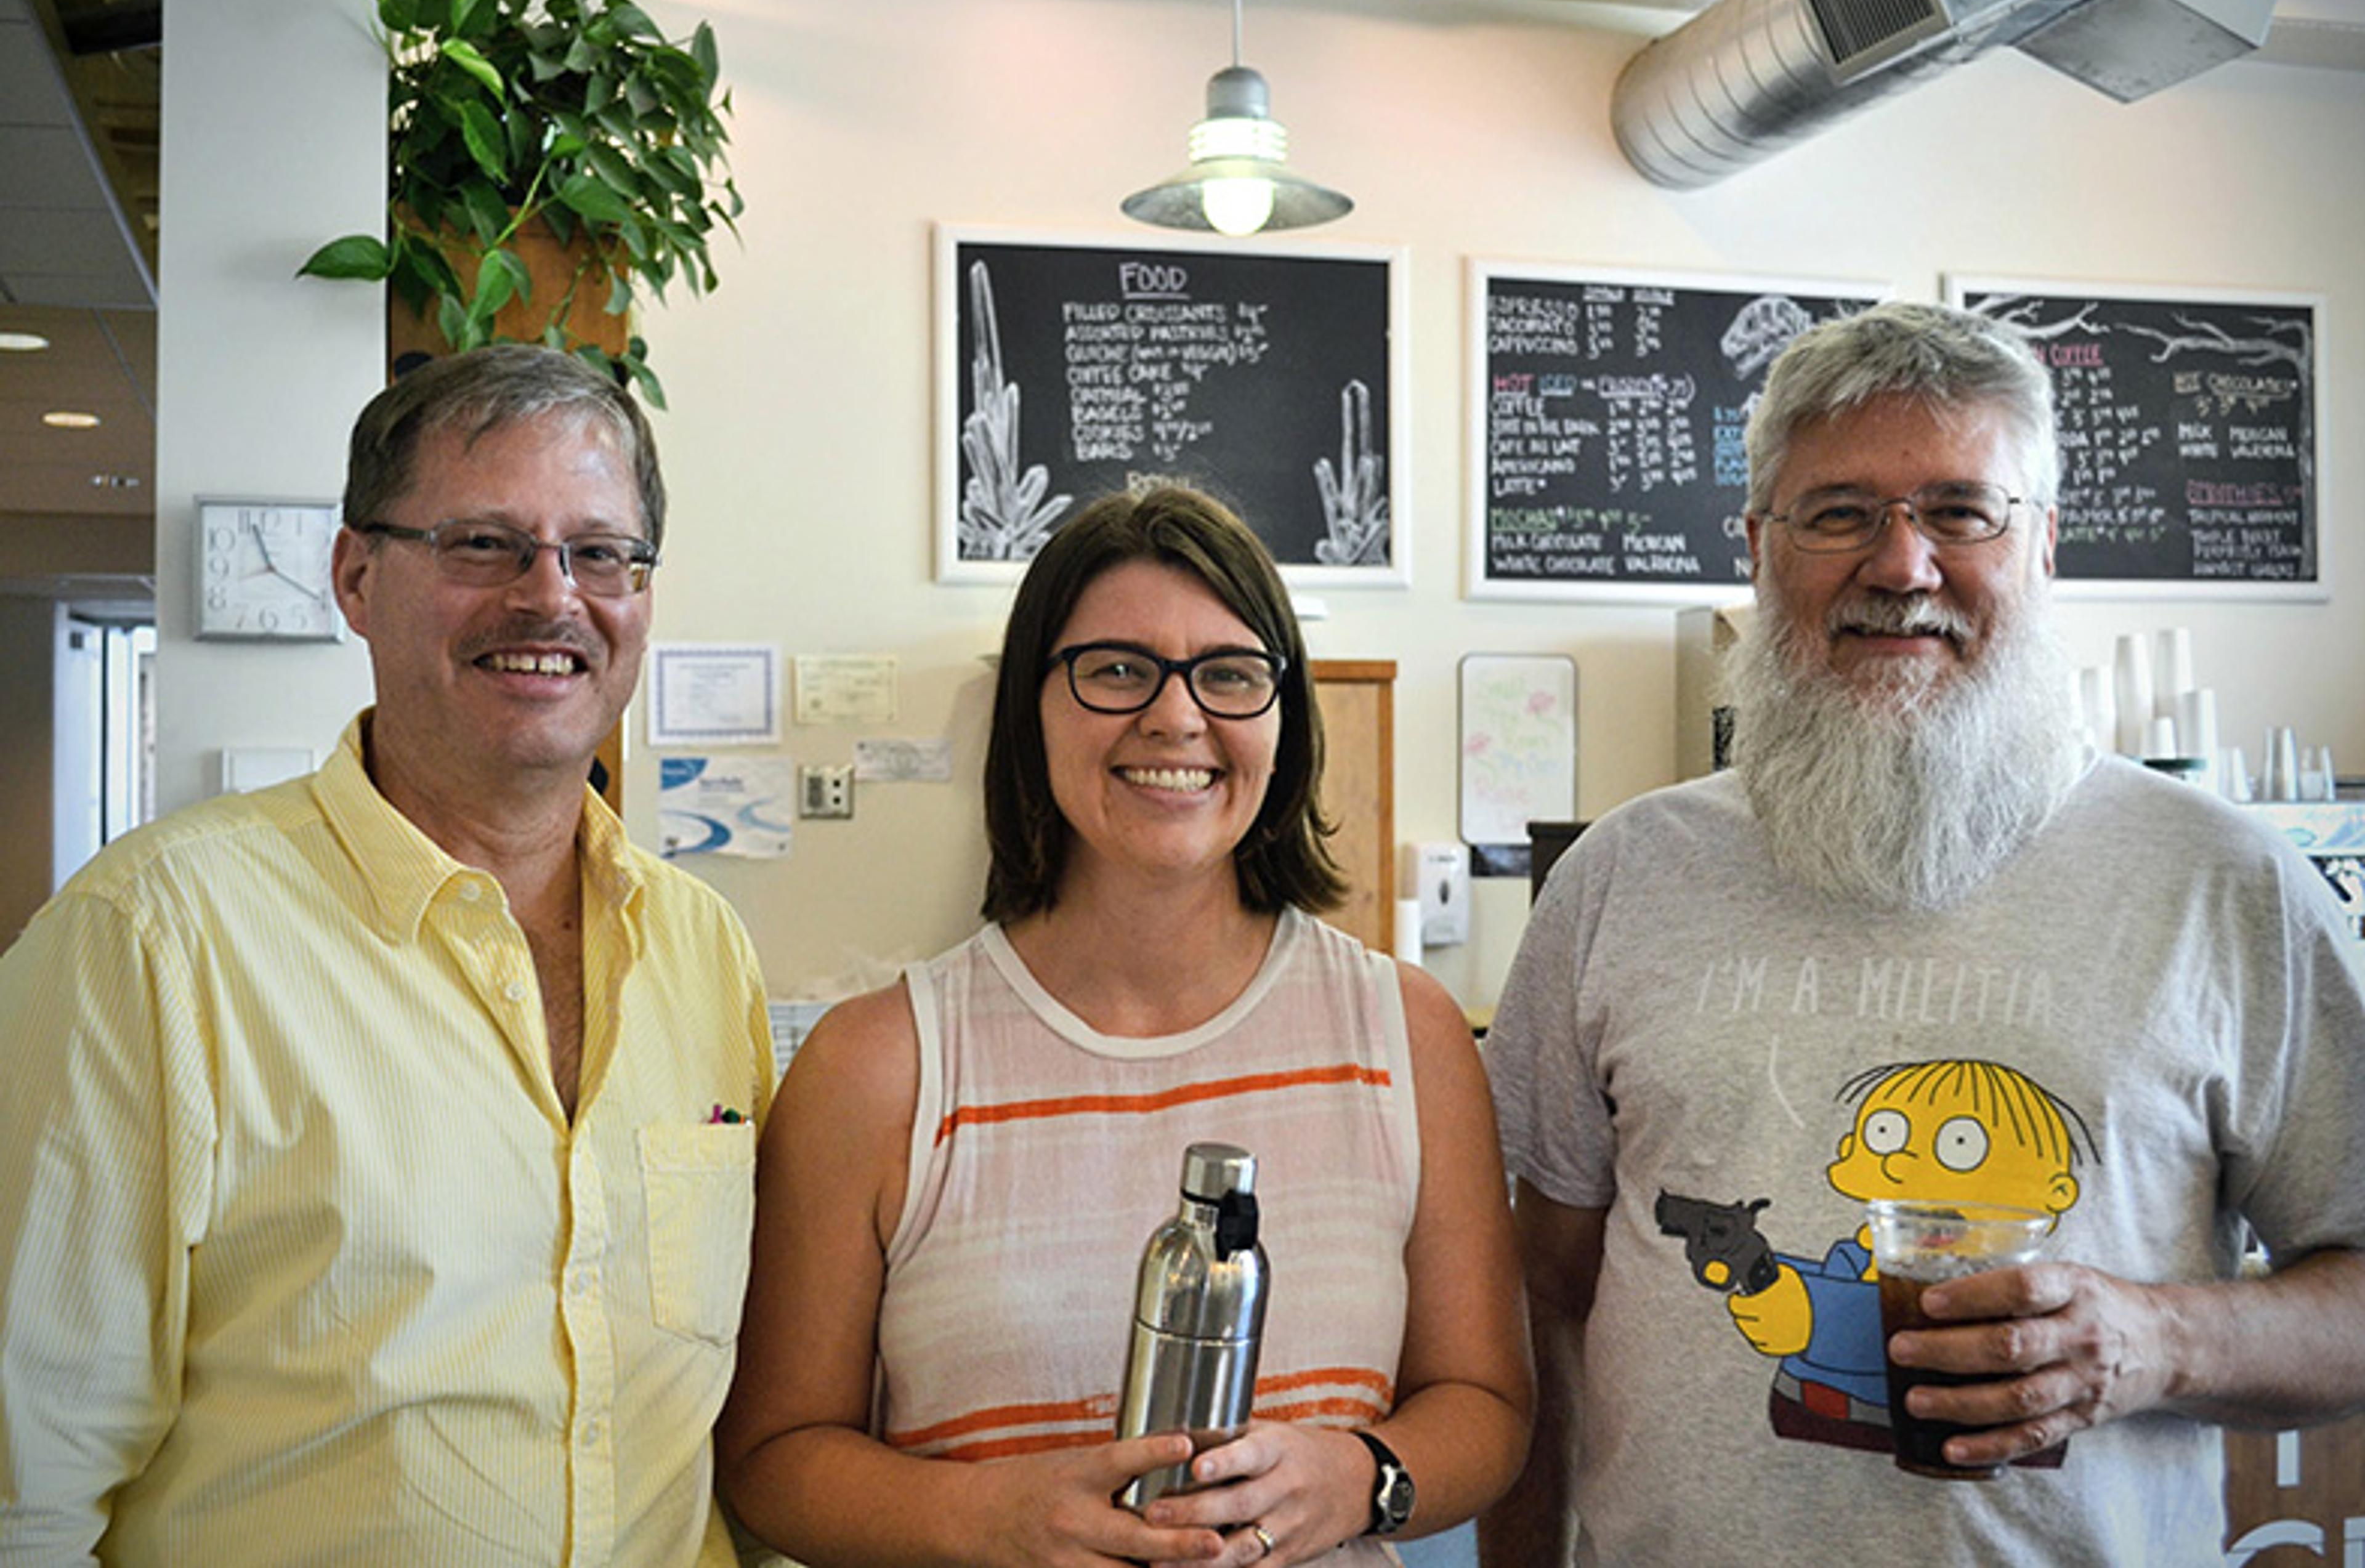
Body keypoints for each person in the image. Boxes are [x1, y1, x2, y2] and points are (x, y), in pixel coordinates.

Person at [1478, 302, 2365, 1566]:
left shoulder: (2226, 883)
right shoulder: (1624, 874)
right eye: (1838, 513)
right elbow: (1539, 1296)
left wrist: (2152, 1339)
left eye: (1962, 510)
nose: (1901, 565)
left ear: (2045, 545)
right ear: (1759, 548)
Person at [0, 345, 776, 1566]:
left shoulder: (703, 949)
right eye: (482, 544)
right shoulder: (150, 941)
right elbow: (25, 1491)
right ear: (357, 577)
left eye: (601, 550)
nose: (550, 596)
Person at [716, 486, 1530, 1566]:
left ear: (1284, 723)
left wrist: (1356, 1476)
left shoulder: (1408, 1037)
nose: (1177, 718)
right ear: (1032, 708)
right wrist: (986, 1518)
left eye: (1229, 674)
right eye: (1115, 669)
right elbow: (771, 1460)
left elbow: (1486, 1406)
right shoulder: (880, 1066)